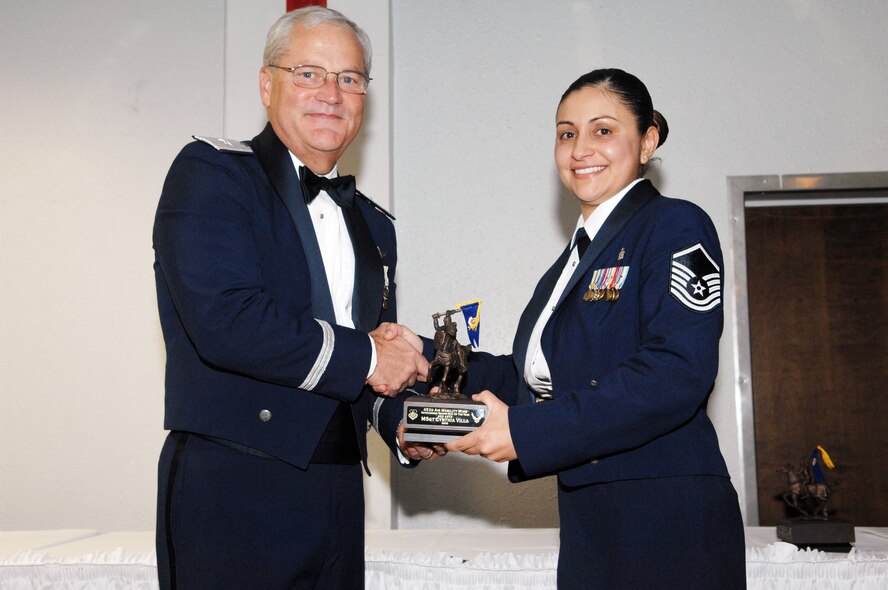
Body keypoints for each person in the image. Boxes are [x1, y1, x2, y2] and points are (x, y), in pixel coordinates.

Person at [152, 7, 436, 589]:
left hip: (338, 493)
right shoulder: (212, 173)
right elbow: (225, 320)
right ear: (267, 84)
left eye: (350, 78)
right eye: (309, 73)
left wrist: (405, 424)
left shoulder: (377, 226)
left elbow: (370, 366)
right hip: (235, 484)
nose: (332, 93)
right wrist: (373, 359)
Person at [445, 69, 747, 588]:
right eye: (567, 133)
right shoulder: (565, 269)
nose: (581, 148)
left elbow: (677, 372)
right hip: (593, 519)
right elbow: (531, 379)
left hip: (666, 520)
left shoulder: (675, 225)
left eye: (602, 130)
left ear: (648, 141)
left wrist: (525, 431)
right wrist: (428, 356)